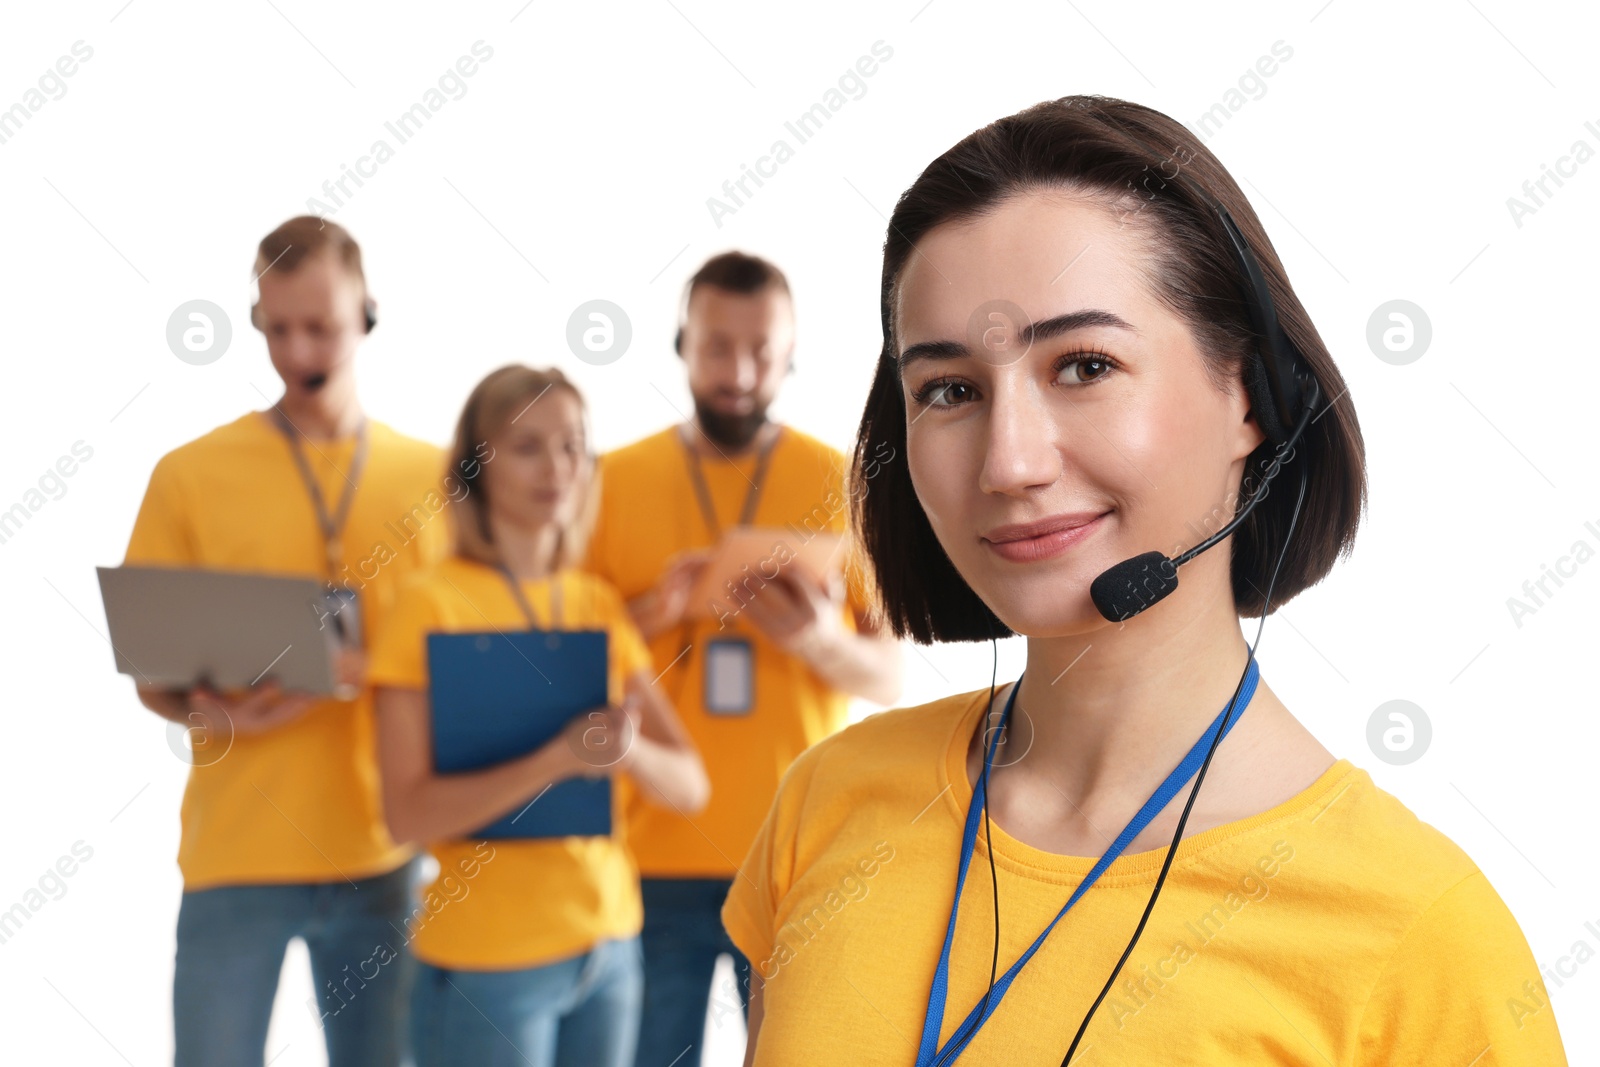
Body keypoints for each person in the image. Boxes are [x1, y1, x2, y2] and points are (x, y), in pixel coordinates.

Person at [723, 96, 1570, 1064]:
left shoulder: (1417, 937)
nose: (1008, 462)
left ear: (1251, 397)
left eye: (1084, 365)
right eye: (948, 389)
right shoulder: (829, 800)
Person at [122, 216, 452, 1066]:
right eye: (279, 327)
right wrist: (215, 708)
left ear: (368, 315)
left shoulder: (436, 479)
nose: (299, 348)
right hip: (235, 852)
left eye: (323, 326)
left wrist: (370, 668)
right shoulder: (189, 474)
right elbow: (152, 673)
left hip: (382, 854)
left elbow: (468, 657)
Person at [581, 251, 903, 1065]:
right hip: (647, 855)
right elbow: (557, 663)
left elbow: (891, 674)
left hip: (796, 856)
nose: (740, 369)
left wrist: (817, 640)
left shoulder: (840, 483)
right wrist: (658, 609)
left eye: (762, 348)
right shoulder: (608, 483)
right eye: (718, 346)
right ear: (681, 343)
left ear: (791, 354)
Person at [367, 364, 711, 1067]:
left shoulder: (596, 605)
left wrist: (626, 751)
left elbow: (690, 785)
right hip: (489, 962)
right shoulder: (428, 606)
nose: (556, 467)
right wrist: (560, 758)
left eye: (572, 446)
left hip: (610, 949)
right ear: (476, 467)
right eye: (527, 447)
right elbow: (409, 815)